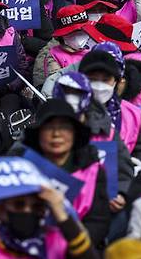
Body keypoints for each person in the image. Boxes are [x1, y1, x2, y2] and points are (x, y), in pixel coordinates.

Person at [21, 99, 111, 247]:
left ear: (74, 133)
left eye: (64, 127)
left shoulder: (93, 171)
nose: (56, 134)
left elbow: (98, 221)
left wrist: (74, 245)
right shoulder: (23, 168)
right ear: (38, 133)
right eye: (49, 127)